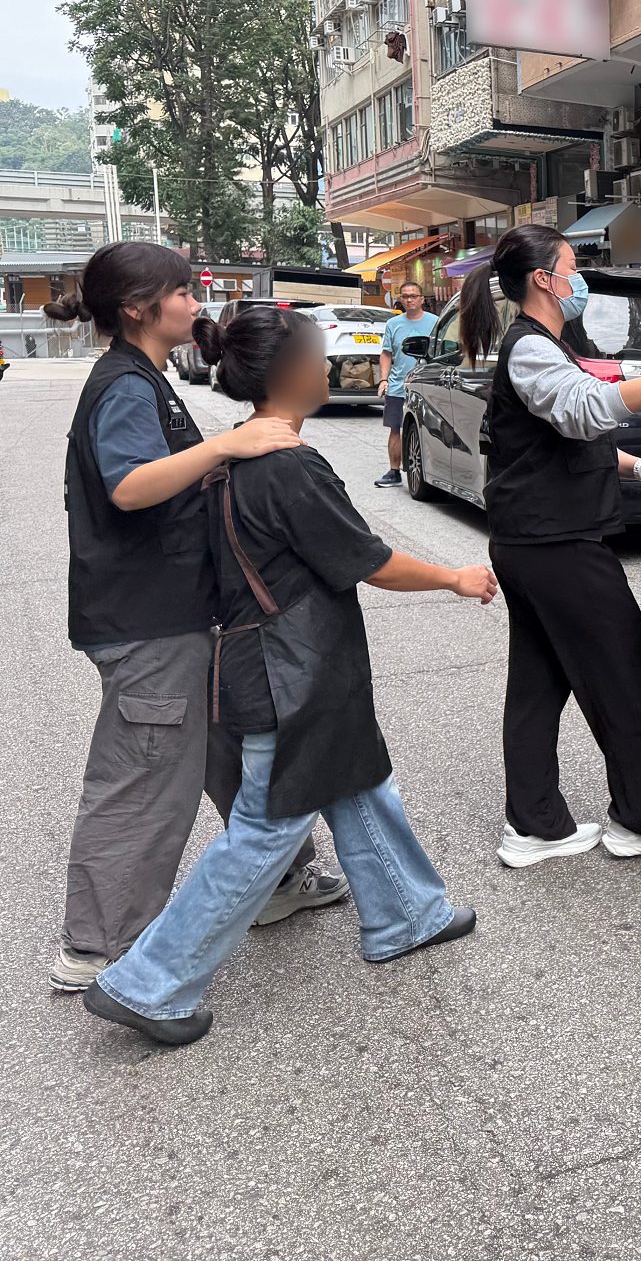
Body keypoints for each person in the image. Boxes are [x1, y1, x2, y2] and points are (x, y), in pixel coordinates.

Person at [82, 305, 494, 1046]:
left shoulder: (237, 457)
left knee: (355, 778)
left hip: (278, 662)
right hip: (291, 671)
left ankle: (408, 913)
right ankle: (150, 982)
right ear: (288, 373)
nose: (328, 368)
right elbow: (368, 561)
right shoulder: (288, 464)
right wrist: (455, 577)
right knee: (268, 827)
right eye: (317, 355)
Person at [44, 243, 342, 995]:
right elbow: (132, 486)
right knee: (144, 774)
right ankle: (99, 945)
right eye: (182, 290)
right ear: (142, 306)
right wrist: (228, 444)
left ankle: (278, 879)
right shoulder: (124, 386)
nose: (194, 300)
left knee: (231, 751)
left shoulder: (146, 379)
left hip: (180, 613)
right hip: (147, 621)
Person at [457, 225, 641, 868]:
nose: (580, 280)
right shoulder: (530, 350)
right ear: (545, 279)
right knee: (631, 682)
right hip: (556, 545)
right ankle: (637, 819)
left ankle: (535, 827)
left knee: (538, 686)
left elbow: (568, 442)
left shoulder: (549, 345)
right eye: (573, 267)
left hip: (533, 541)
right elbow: (586, 411)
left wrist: (640, 469)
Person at [375, 280, 437, 488]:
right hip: (397, 386)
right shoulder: (393, 324)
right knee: (395, 428)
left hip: (426, 385)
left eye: (413, 296)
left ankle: (429, 471)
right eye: (405, 296)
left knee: (429, 428)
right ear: (400, 299)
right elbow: (386, 354)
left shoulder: (435, 322)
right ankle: (394, 472)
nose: (409, 300)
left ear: (422, 299)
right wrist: (383, 380)